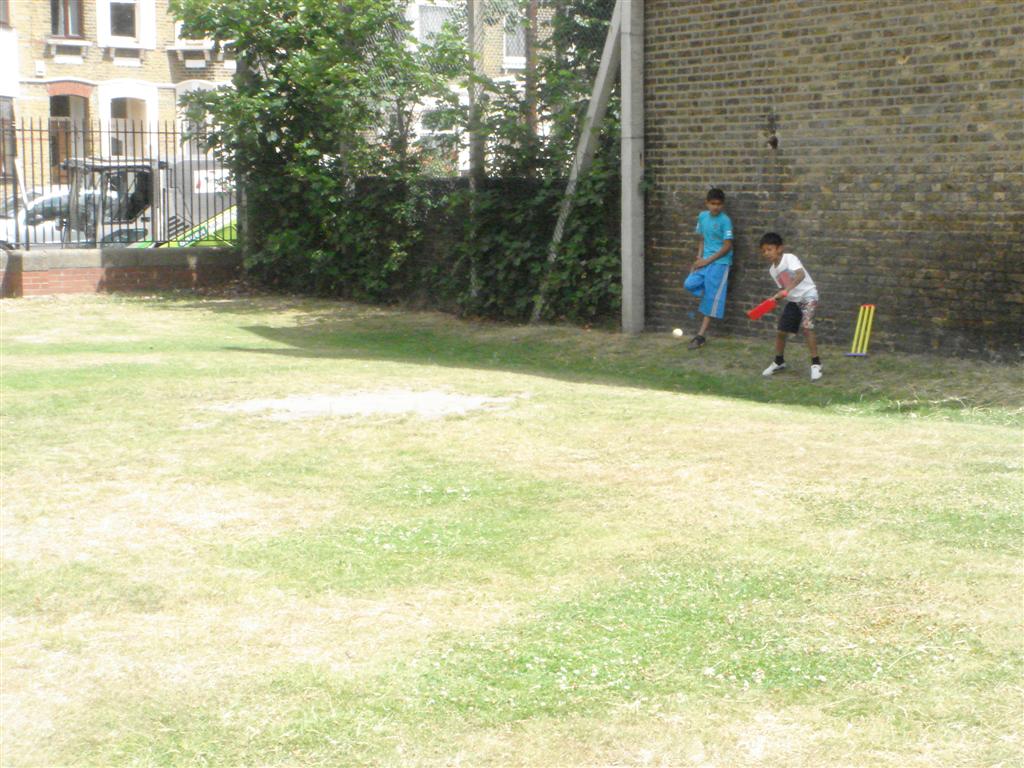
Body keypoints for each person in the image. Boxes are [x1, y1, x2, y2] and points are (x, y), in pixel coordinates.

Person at [758, 232, 823, 381]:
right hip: (794, 301)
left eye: (770, 249)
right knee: (781, 331)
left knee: (807, 327)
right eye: (764, 251)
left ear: (779, 248)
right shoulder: (772, 271)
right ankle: (779, 361)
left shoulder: (790, 258)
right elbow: (786, 287)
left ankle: (816, 364)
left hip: (809, 295)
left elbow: (800, 275)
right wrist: (777, 297)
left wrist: (786, 290)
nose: (766, 253)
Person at [683, 188, 733, 349]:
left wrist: (708, 260)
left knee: (711, 299)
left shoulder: (726, 221)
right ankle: (711, 293)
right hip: (704, 261)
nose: (715, 207)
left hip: (720, 263)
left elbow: (727, 246)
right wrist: (699, 259)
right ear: (707, 203)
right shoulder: (702, 217)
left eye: (719, 204)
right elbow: (702, 239)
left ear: (722, 205)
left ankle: (700, 335)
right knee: (689, 283)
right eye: (712, 204)